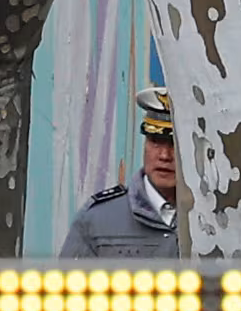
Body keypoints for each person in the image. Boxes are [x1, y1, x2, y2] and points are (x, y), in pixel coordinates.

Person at [61, 86, 179, 258]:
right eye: (155, 141)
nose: (164, 155)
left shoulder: (219, 224)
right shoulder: (98, 222)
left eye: (174, 144)